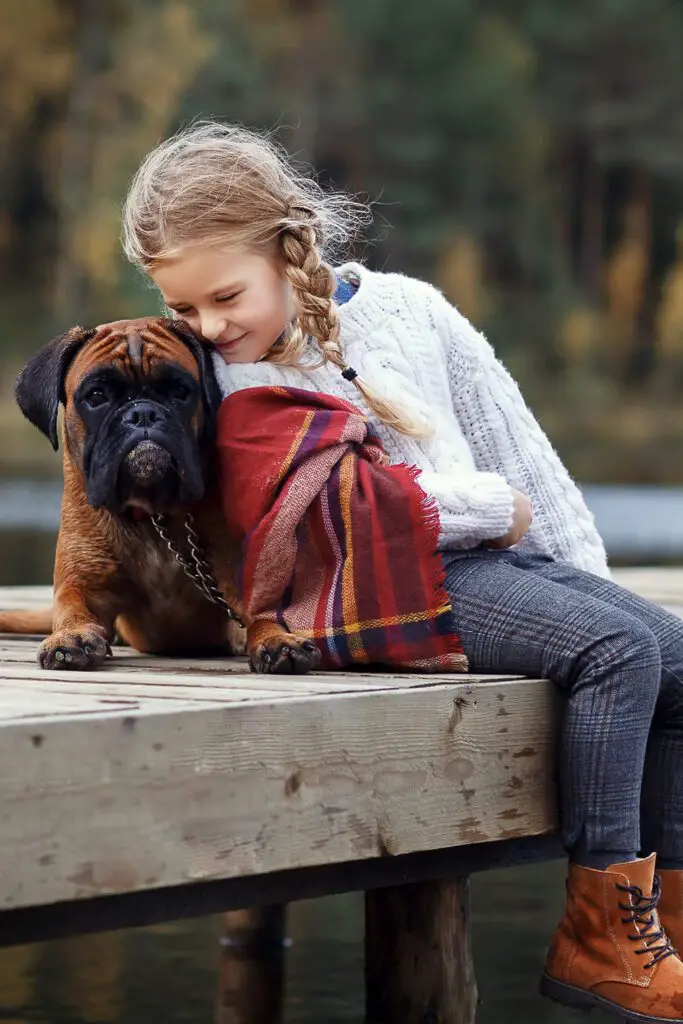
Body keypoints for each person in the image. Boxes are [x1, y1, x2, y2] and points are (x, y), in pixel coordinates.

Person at [121, 120, 683, 1023]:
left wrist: (585, 577)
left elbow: (521, 451)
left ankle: (662, 926)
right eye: (185, 310)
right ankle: (598, 941)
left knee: (669, 651)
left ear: (285, 245)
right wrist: (492, 509)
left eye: (224, 297)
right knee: (618, 652)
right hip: (374, 589)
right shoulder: (230, 381)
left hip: (485, 566)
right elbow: (365, 505)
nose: (208, 327)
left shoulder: (413, 310)